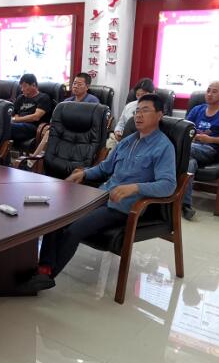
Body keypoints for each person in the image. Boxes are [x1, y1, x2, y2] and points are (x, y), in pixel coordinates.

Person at [21, 93, 176, 290]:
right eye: (137, 111)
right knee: (57, 216)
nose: (138, 115)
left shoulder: (163, 147)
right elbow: (105, 168)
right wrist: (84, 174)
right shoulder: (128, 141)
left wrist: (135, 187)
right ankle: (43, 267)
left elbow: (168, 185)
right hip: (101, 195)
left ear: (160, 115)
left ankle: (48, 275)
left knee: (75, 228)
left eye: (145, 111)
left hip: (124, 206)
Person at [181, 81, 219, 220]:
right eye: (208, 90)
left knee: (181, 149)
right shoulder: (197, 109)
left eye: (214, 91)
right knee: (189, 163)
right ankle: (185, 205)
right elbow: (184, 128)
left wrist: (211, 139)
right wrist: (192, 137)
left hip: (211, 150)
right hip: (193, 148)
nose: (209, 94)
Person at [22, 72, 101, 160]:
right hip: (66, 129)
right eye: (74, 83)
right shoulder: (67, 101)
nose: (75, 86)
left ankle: (36, 160)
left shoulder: (92, 101)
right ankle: (36, 159)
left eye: (79, 84)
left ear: (87, 87)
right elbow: (56, 117)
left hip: (82, 132)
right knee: (49, 132)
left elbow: (93, 121)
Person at [10, 73, 51, 143]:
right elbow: (15, 113)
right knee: (2, 125)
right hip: (19, 125)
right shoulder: (20, 98)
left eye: (24, 86)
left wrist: (16, 120)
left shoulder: (43, 98)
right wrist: (16, 119)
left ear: (33, 85)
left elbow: (36, 117)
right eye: (21, 87)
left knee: (7, 127)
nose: (22, 89)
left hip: (33, 127)